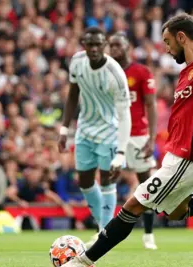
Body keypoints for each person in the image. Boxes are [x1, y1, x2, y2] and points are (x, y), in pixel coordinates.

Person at [58, 13, 193, 267]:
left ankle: (81, 263)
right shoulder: (187, 73)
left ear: (181, 37)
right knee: (176, 212)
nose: (168, 49)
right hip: (181, 156)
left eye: (168, 42)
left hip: (188, 158)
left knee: (132, 206)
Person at [58, 27, 132, 246]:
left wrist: (120, 151)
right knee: (85, 181)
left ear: (104, 45)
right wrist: (64, 129)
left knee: (108, 180)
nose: (94, 48)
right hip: (84, 130)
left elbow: (124, 114)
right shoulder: (77, 62)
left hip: (109, 132)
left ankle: (104, 232)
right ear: (84, 44)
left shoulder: (115, 73)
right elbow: (72, 95)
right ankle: (103, 224)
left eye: (99, 44)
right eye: (90, 44)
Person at [109, 32, 159, 250]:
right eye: (111, 46)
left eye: (118, 45)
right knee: (106, 179)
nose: (114, 49)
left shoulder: (141, 72)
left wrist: (152, 138)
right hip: (112, 133)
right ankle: (102, 228)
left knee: (145, 182)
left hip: (138, 134)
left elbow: (151, 105)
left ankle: (148, 234)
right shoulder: (106, 72)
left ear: (128, 47)